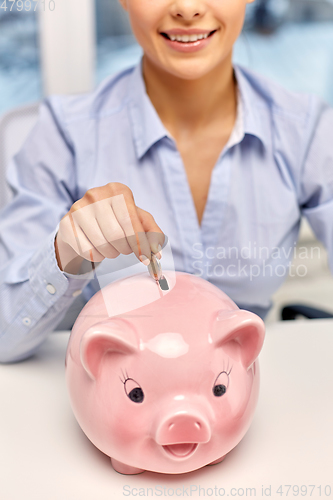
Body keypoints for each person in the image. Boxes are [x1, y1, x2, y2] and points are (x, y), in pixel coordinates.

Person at [0, 0, 332, 363]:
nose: (188, 8)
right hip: (122, 394)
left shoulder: (307, 129)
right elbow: (4, 338)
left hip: (249, 390)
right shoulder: (64, 134)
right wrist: (67, 252)